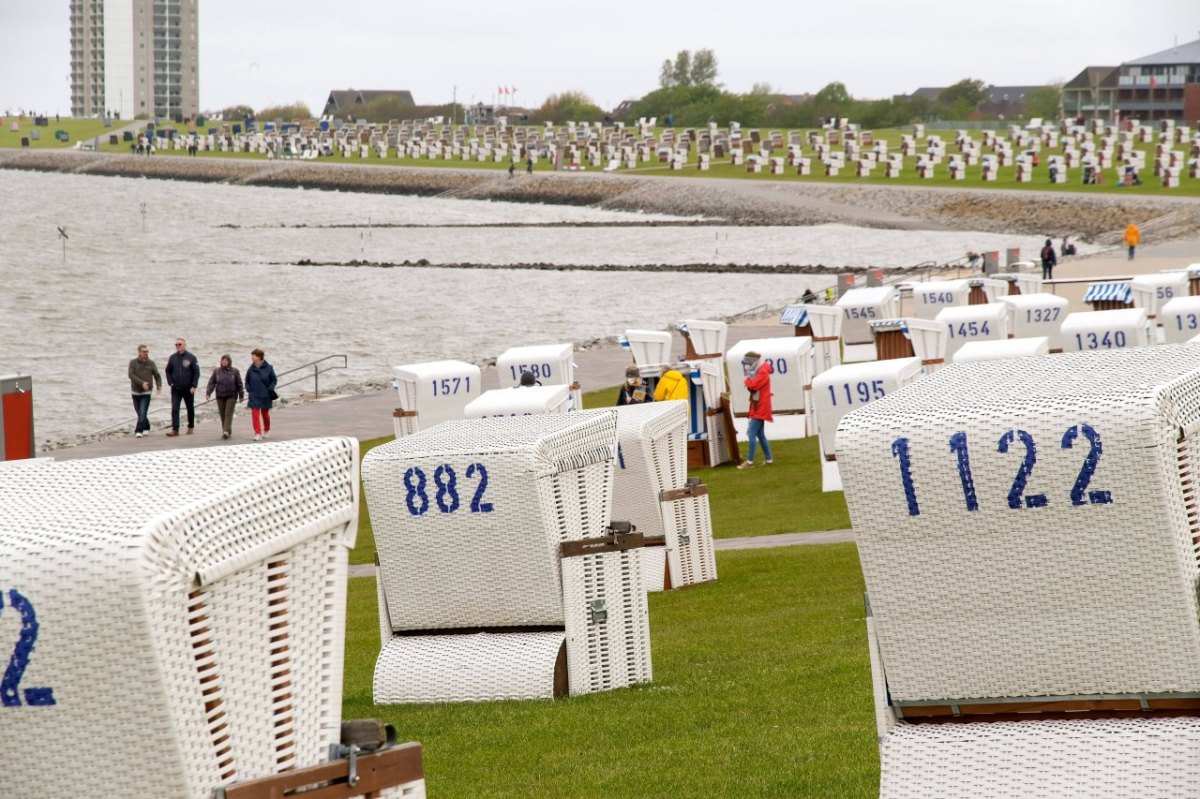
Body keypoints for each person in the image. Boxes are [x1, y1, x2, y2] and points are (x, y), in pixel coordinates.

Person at [739, 351, 774, 468]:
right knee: (759, 433)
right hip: (759, 406)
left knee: (751, 432)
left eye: (748, 364)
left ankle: (750, 461)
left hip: (760, 407)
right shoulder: (760, 370)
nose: (746, 366)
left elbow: (753, 385)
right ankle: (769, 459)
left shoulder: (762, 372)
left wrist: (746, 380)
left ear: (753, 362)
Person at [164, 337, 200, 436]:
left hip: (188, 388)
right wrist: (170, 382)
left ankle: (191, 426)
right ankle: (175, 429)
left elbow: (196, 372)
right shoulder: (172, 358)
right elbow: (167, 371)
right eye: (176, 345)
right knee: (175, 408)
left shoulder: (191, 357)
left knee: (190, 408)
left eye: (180, 344)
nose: (178, 346)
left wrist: (194, 385)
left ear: (184, 345)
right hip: (176, 388)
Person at [205, 354, 244, 440]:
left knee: (228, 413)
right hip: (220, 396)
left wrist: (241, 395)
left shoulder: (235, 371)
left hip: (232, 396)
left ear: (229, 361)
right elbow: (211, 383)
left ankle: (225, 431)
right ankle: (227, 430)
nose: (224, 362)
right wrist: (208, 393)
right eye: (222, 360)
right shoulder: (216, 371)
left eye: (226, 360)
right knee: (222, 414)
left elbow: (239, 384)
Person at [127, 344, 162, 438]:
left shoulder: (151, 363)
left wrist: (159, 385)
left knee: (142, 411)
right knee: (139, 412)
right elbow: (131, 375)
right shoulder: (133, 362)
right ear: (139, 352)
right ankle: (146, 426)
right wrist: (142, 383)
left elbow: (157, 375)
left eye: (147, 351)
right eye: (144, 351)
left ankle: (138, 430)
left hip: (146, 392)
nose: (146, 353)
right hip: (135, 392)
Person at [245, 348, 278, 441]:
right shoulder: (251, 369)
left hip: (265, 395)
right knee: (255, 414)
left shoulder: (269, 368)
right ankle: (257, 433)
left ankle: (267, 430)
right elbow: (247, 381)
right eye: (252, 356)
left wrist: (270, 388)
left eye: (253, 356)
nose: (252, 357)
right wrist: (248, 389)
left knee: (265, 414)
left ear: (259, 357)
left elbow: (274, 380)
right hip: (254, 394)